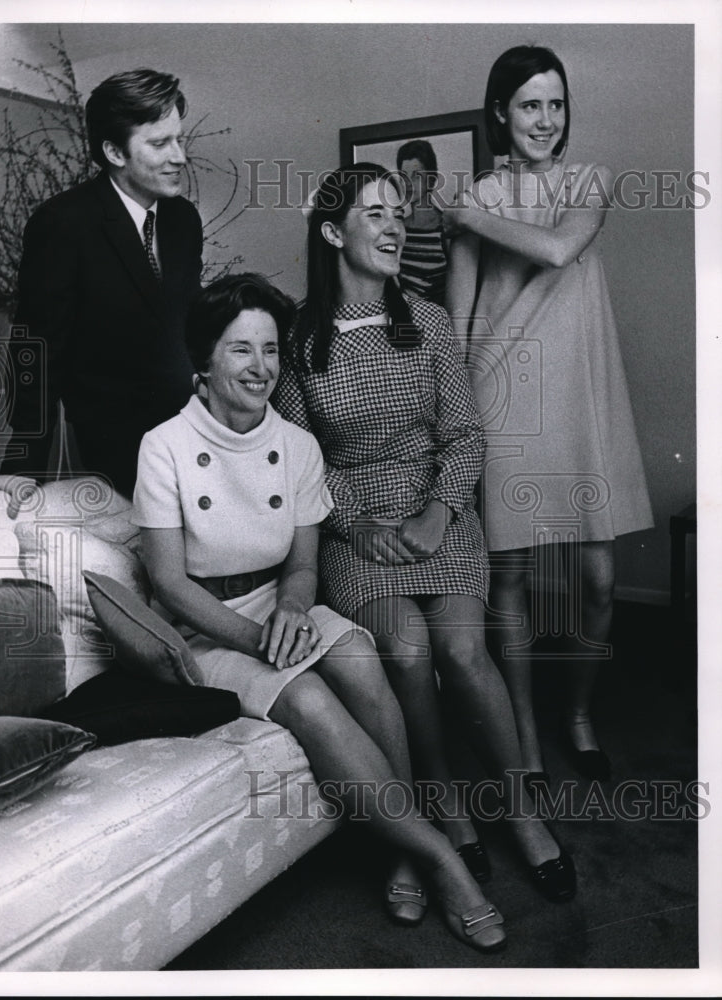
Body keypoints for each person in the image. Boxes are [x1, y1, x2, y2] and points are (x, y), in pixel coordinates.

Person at [130, 272, 507, 953]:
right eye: (241, 349)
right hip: (204, 627)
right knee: (304, 696)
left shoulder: (297, 446)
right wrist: (257, 638)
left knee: (362, 656)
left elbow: (301, 566)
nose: (261, 367)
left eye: (271, 350)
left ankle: (397, 849)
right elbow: (167, 583)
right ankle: (437, 858)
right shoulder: (164, 446)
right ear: (205, 359)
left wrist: (295, 611)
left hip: (278, 602)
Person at [273, 162, 575, 904]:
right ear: (330, 232)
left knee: (464, 649)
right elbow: (298, 457)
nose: (392, 225)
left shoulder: (430, 321)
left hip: (439, 511)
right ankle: (443, 806)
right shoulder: (296, 340)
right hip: (356, 530)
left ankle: (521, 810)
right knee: (405, 651)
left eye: (397, 213)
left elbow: (466, 436)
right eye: (373, 214)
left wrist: (438, 510)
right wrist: (357, 523)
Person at [441, 45, 654, 783]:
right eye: (529, 104)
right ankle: (525, 736)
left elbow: (561, 248)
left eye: (555, 104)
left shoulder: (588, 181)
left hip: (581, 397)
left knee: (596, 578)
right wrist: (461, 415)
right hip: (503, 399)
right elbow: (462, 316)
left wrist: (465, 209)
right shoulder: (476, 198)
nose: (545, 119)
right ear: (501, 111)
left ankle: (577, 713)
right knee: (511, 581)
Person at [0, 68, 204, 498]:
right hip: (110, 455)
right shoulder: (62, 223)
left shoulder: (183, 220)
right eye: (159, 143)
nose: (179, 157)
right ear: (114, 151)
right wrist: (23, 466)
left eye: (178, 139)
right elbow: (36, 350)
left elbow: (192, 325)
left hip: (195, 438)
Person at [396, 139, 448, 305]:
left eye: (417, 176)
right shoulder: (397, 228)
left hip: (438, 324)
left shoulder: (447, 228)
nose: (409, 184)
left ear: (432, 180)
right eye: (404, 177)